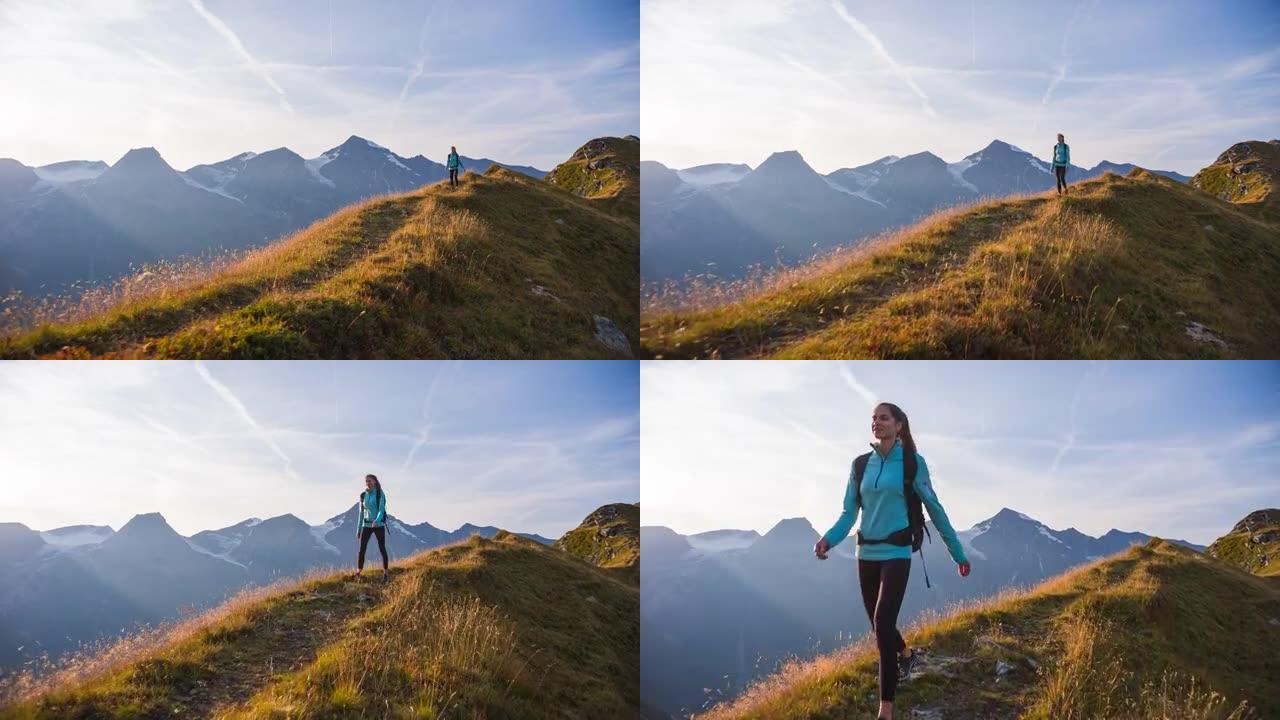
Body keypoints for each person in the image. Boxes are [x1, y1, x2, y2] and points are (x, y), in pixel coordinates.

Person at [814, 403, 971, 720]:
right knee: (877, 624)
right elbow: (849, 513)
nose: (876, 422)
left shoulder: (913, 464)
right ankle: (907, 655)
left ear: (899, 426)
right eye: (873, 418)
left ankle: (886, 710)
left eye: (883, 417)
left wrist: (958, 553)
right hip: (866, 553)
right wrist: (828, 539)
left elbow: (935, 510)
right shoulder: (860, 465)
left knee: (883, 622)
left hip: (897, 553)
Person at [355, 473, 389, 581]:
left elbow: (381, 509)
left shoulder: (380, 494)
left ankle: (385, 573)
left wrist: (377, 520)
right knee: (362, 549)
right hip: (366, 525)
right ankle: (359, 572)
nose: (367, 483)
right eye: (366, 481)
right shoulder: (363, 495)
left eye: (369, 481)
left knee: (382, 548)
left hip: (378, 525)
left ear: (374, 481)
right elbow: (361, 514)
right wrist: (359, 530)